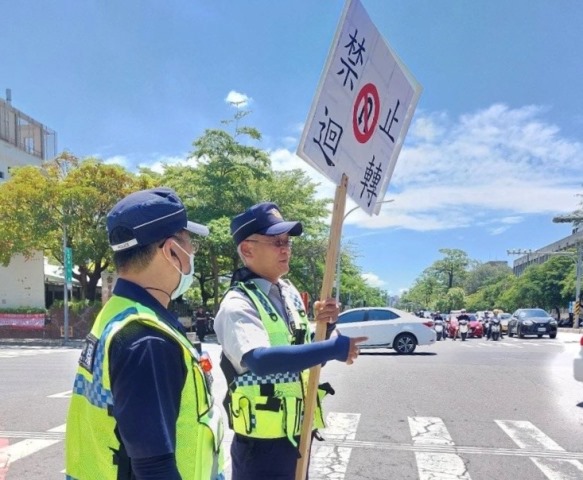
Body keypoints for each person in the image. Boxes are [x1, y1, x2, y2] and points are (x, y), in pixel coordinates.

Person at [65, 187, 223, 480]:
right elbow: (154, 468)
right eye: (191, 245)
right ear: (172, 251)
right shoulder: (147, 340)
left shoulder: (119, 313)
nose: (193, 254)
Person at [214, 201, 366, 480]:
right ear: (247, 249)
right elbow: (260, 361)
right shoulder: (238, 303)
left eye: (287, 242)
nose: (286, 249)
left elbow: (301, 351)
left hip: (296, 433)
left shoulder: (288, 292)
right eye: (276, 242)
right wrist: (332, 348)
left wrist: (327, 327)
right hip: (260, 445)